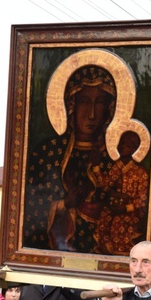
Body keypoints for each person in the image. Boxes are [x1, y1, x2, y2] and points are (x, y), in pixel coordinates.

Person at [23, 65, 120, 254]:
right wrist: (64, 204)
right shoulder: (47, 153)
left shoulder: (113, 158)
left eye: (99, 103)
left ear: (109, 109)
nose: (91, 113)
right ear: (71, 104)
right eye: (84, 101)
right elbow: (30, 211)